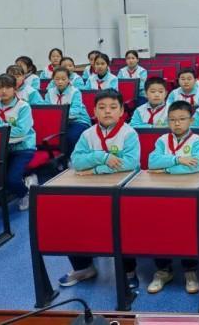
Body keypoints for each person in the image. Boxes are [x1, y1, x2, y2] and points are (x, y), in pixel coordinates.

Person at [59, 89, 140, 289]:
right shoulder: (87, 134)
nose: (107, 111)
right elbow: (77, 162)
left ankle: (129, 271)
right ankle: (84, 267)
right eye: (102, 108)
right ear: (94, 111)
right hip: (90, 189)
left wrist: (94, 169)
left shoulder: (129, 134)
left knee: (124, 224)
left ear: (122, 111)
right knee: (71, 219)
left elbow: (129, 163)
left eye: (113, 107)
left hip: (122, 189)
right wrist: (103, 157)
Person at [146, 100, 199, 295]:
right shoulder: (162, 140)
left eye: (181, 119)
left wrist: (165, 169)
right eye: (172, 120)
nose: (177, 123)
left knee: (188, 229)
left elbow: (195, 166)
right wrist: (179, 160)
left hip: (188, 191)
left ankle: (190, 270)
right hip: (161, 192)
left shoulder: (197, 140)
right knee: (159, 228)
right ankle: (163, 270)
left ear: (191, 120)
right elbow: (152, 162)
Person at [0, 74, 36, 211]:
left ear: (15, 89)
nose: (4, 91)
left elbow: (21, 131)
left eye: (7, 87)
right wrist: (5, 128)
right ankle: (24, 179)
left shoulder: (23, 107)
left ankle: (26, 193)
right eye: (0, 88)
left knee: (12, 179)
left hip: (22, 148)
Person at [45, 67, 91, 161]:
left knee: (70, 136)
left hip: (77, 120)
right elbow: (47, 109)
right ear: (53, 80)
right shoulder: (50, 92)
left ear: (69, 79)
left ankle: (71, 159)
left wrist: (59, 116)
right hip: (58, 122)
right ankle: (56, 161)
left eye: (63, 79)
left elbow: (76, 111)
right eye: (57, 79)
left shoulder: (75, 92)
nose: (60, 82)